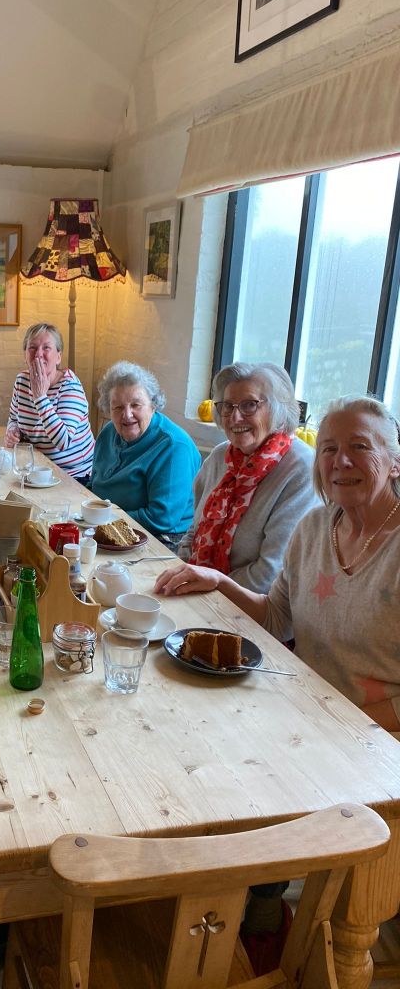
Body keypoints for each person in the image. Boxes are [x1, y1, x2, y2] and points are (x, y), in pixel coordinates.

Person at [155, 395, 400, 973]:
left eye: (359, 446)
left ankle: (255, 918)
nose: (340, 461)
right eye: (330, 448)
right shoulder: (316, 527)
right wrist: (218, 581)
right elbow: (276, 617)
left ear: (394, 459)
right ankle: (233, 909)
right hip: (309, 719)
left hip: (378, 746)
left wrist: (351, 728)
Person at [178, 362, 318, 592]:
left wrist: (207, 588)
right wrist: (180, 573)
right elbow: (193, 532)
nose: (235, 417)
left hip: (252, 606)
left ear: (277, 409)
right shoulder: (220, 456)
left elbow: (271, 574)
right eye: (228, 406)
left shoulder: (301, 468)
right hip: (198, 591)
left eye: (249, 405)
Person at [90, 361, 200, 545]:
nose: (127, 414)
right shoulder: (108, 432)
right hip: (104, 525)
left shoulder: (173, 447)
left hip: (162, 539)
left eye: (136, 405)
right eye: (118, 407)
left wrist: (102, 520)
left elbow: (161, 518)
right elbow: (95, 485)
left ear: (153, 405)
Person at [4, 323, 94, 480]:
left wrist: (40, 397)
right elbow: (13, 418)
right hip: (35, 471)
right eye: (32, 347)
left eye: (46, 348)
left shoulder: (70, 387)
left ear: (58, 357)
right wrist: (12, 432)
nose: (38, 354)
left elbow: (63, 441)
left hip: (75, 477)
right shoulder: (22, 381)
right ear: (25, 355)